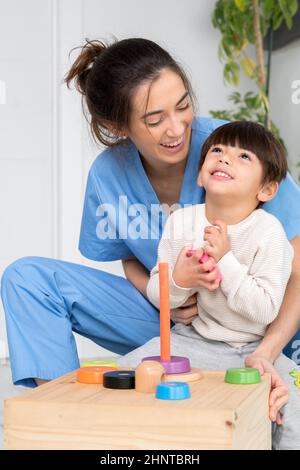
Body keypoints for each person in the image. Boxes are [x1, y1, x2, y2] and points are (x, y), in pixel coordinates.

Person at [1, 37, 299, 421]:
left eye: (183, 106)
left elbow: (295, 267)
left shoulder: (234, 150)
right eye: (155, 119)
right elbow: (129, 255)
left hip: (261, 327)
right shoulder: (109, 175)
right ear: (117, 125)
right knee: (27, 279)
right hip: (173, 323)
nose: (176, 129)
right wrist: (165, 291)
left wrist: (268, 349)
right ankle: (68, 420)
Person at [117, 120, 299, 449]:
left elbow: (265, 309)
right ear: (201, 175)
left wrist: (225, 261)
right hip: (190, 341)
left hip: (252, 351)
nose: (225, 158)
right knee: (120, 375)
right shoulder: (182, 222)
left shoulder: (269, 233)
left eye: (244, 157)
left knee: (294, 401)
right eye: (217, 151)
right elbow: (160, 294)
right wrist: (180, 280)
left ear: (267, 190)